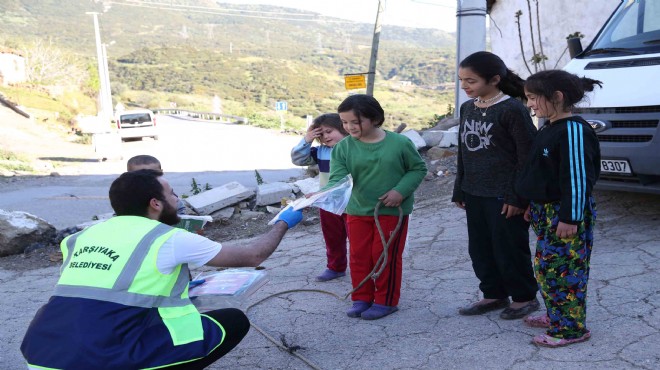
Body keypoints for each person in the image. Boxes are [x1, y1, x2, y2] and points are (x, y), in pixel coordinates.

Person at [20, 169, 303, 369]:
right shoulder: (167, 237)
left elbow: (110, 289)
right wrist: (283, 222)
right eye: (172, 193)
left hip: (44, 351)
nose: (178, 198)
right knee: (233, 320)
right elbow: (254, 255)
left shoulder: (79, 238)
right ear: (155, 204)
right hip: (104, 357)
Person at [452, 51, 540, 320]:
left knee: (509, 248)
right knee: (479, 248)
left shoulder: (512, 109)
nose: (465, 86)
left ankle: (524, 297)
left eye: (472, 81)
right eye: (462, 80)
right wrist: (460, 188)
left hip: (504, 195)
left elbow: (526, 157)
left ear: (494, 80)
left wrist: (517, 197)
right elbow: (464, 152)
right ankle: (493, 294)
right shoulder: (468, 108)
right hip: (475, 192)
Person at [516, 70, 602, 347]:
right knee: (546, 268)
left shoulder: (574, 130)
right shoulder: (550, 125)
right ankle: (557, 315)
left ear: (557, 97)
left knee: (564, 271)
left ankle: (570, 329)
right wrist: (533, 203)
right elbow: (543, 172)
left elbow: (577, 180)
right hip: (546, 211)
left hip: (565, 214)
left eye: (533, 98)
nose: (529, 104)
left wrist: (570, 217)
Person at [324, 94, 427, 320]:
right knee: (359, 256)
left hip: (390, 212)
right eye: (344, 122)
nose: (349, 127)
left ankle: (386, 300)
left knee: (384, 256)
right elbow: (338, 179)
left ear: (374, 118)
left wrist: (400, 191)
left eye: (355, 121)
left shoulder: (399, 143)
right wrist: (320, 194)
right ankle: (362, 297)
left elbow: (418, 169)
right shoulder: (343, 148)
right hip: (357, 211)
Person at [291, 113, 349, 282]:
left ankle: (365, 269)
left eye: (329, 131)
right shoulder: (322, 151)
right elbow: (298, 159)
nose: (325, 137)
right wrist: (307, 139)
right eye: (321, 134)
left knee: (358, 239)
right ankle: (335, 267)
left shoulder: (354, 148)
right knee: (332, 238)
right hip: (328, 203)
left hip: (352, 202)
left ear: (343, 128)